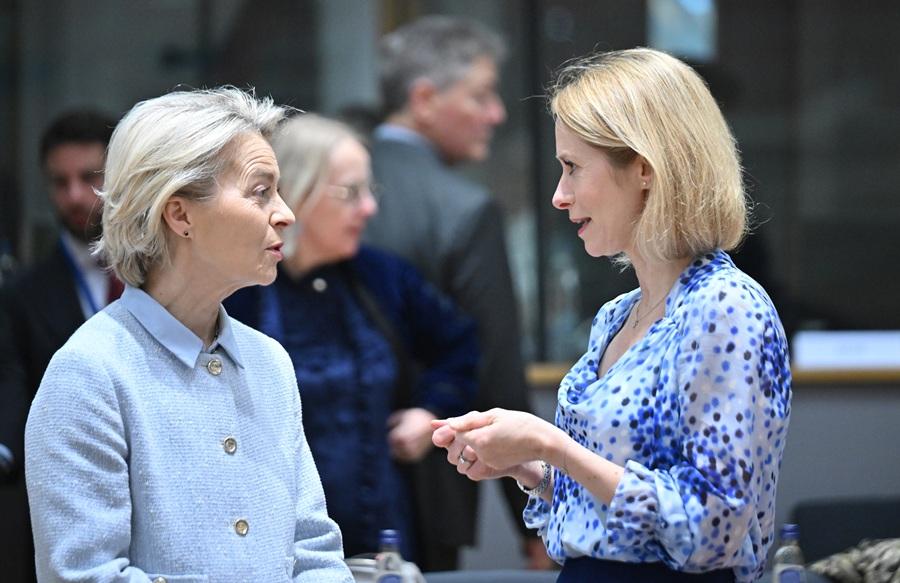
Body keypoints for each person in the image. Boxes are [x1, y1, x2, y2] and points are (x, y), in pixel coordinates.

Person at [433, 48, 792, 583]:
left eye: (572, 167)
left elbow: (714, 529)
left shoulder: (725, 306)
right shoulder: (617, 315)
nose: (558, 195)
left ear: (645, 170)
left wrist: (550, 445)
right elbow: (621, 509)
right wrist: (532, 469)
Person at [24, 88, 353, 582]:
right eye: (260, 191)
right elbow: (87, 575)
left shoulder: (270, 362)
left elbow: (314, 552)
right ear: (179, 214)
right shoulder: (89, 373)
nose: (285, 212)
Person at [225, 114, 479, 562]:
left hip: (392, 532)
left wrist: (431, 411)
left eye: (369, 192)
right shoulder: (242, 291)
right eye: (351, 193)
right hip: (280, 544)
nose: (369, 209)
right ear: (298, 194)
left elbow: (461, 346)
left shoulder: (381, 277)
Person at [363, 15, 545, 570]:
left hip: (317, 477)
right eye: (481, 96)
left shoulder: (319, 187)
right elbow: (496, 368)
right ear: (424, 98)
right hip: (428, 481)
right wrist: (535, 520)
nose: (497, 113)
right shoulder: (464, 210)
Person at [0, 109, 117, 581]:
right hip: (68, 514)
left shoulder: (165, 273)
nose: (73, 196)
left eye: (89, 177)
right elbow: (12, 389)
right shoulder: (23, 296)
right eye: (59, 182)